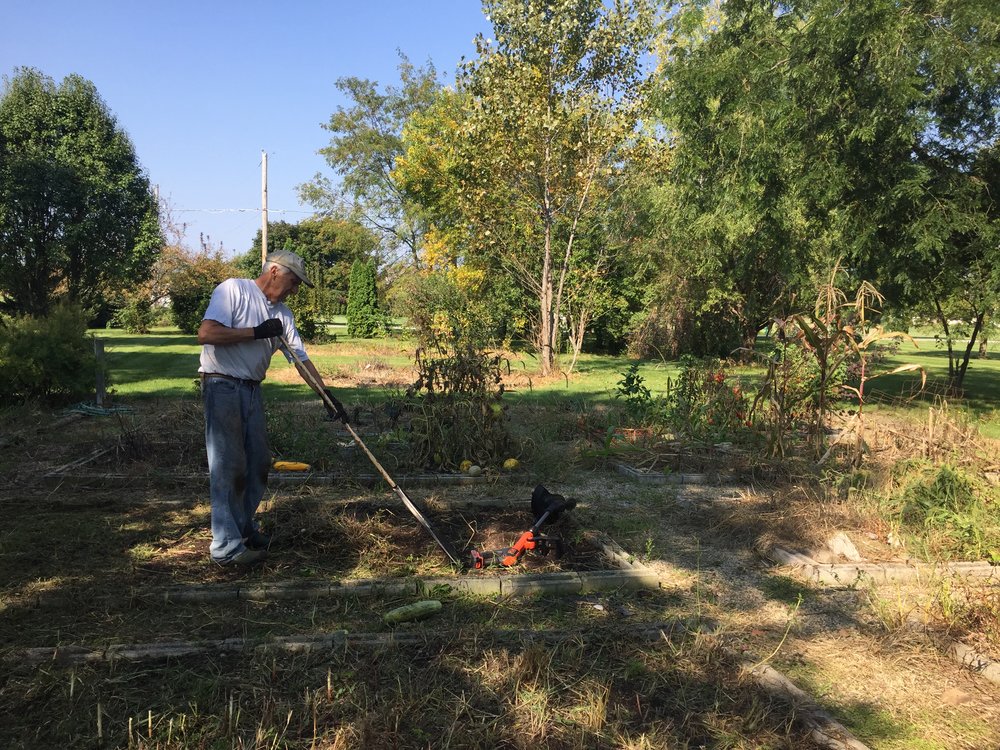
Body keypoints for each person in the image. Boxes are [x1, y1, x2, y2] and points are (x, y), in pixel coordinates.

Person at [197, 250, 349, 566]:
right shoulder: (234, 290)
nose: (294, 291)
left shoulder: (284, 315)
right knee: (228, 464)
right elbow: (207, 333)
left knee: (258, 462)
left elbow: (301, 360)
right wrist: (256, 332)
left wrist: (327, 396)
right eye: (293, 283)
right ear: (276, 272)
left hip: (251, 389)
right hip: (221, 384)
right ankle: (225, 548)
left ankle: (242, 529)